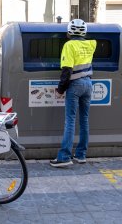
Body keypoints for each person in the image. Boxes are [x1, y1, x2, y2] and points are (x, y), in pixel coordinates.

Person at [50, 19, 96, 168]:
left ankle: (64, 157)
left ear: (69, 32)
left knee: (70, 121)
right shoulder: (91, 44)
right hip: (88, 84)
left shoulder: (69, 45)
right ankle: (81, 155)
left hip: (75, 85)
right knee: (85, 120)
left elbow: (67, 70)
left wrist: (60, 90)